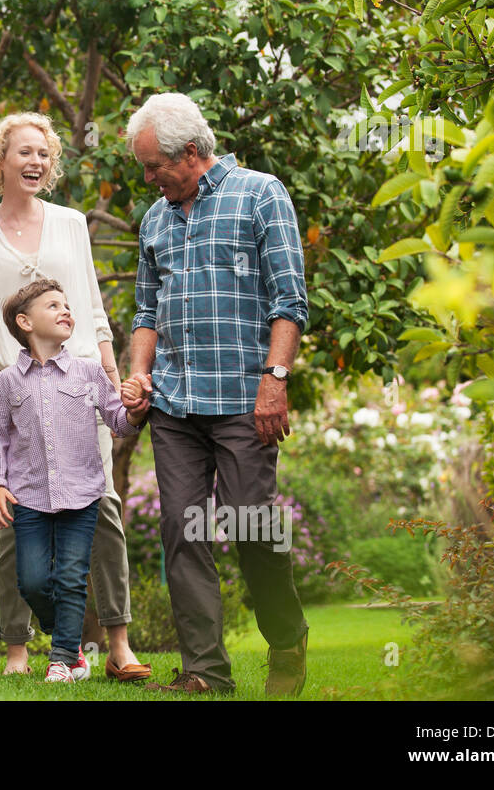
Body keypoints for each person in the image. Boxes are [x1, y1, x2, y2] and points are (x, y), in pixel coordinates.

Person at [119, 92, 310, 696]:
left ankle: (286, 638)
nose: (148, 179)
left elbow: (290, 301)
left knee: (250, 524)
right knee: (182, 528)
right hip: (175, 403)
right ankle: (205, 671)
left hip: (243, 400)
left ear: (193, 154)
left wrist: (274, 382)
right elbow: (146, 311)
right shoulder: (156, 218)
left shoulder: (261, 195)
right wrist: (140, 373)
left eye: (154, 167)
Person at [0, 112, 151, 681]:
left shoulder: (70, 224)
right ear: (1, 161)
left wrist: (115, 385)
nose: (35, 162)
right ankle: (18, 647)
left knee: (103, 509)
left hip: (78, 384)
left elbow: (92, 311)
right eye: (24, 152)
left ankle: (117, 642)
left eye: (44, 153)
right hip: (6, 388)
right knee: (15, 516)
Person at [0, 278, 150, 683]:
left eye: (67, 305)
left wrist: (136, 411)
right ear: (25, 322)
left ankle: (62, 660)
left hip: (82, 495)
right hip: (29, 499)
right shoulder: (7, 382)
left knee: (71, 577)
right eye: (53, 306)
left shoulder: (89, 373)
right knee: (34, 581)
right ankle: (71, 644)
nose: (65, 311)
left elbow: (118, 422)